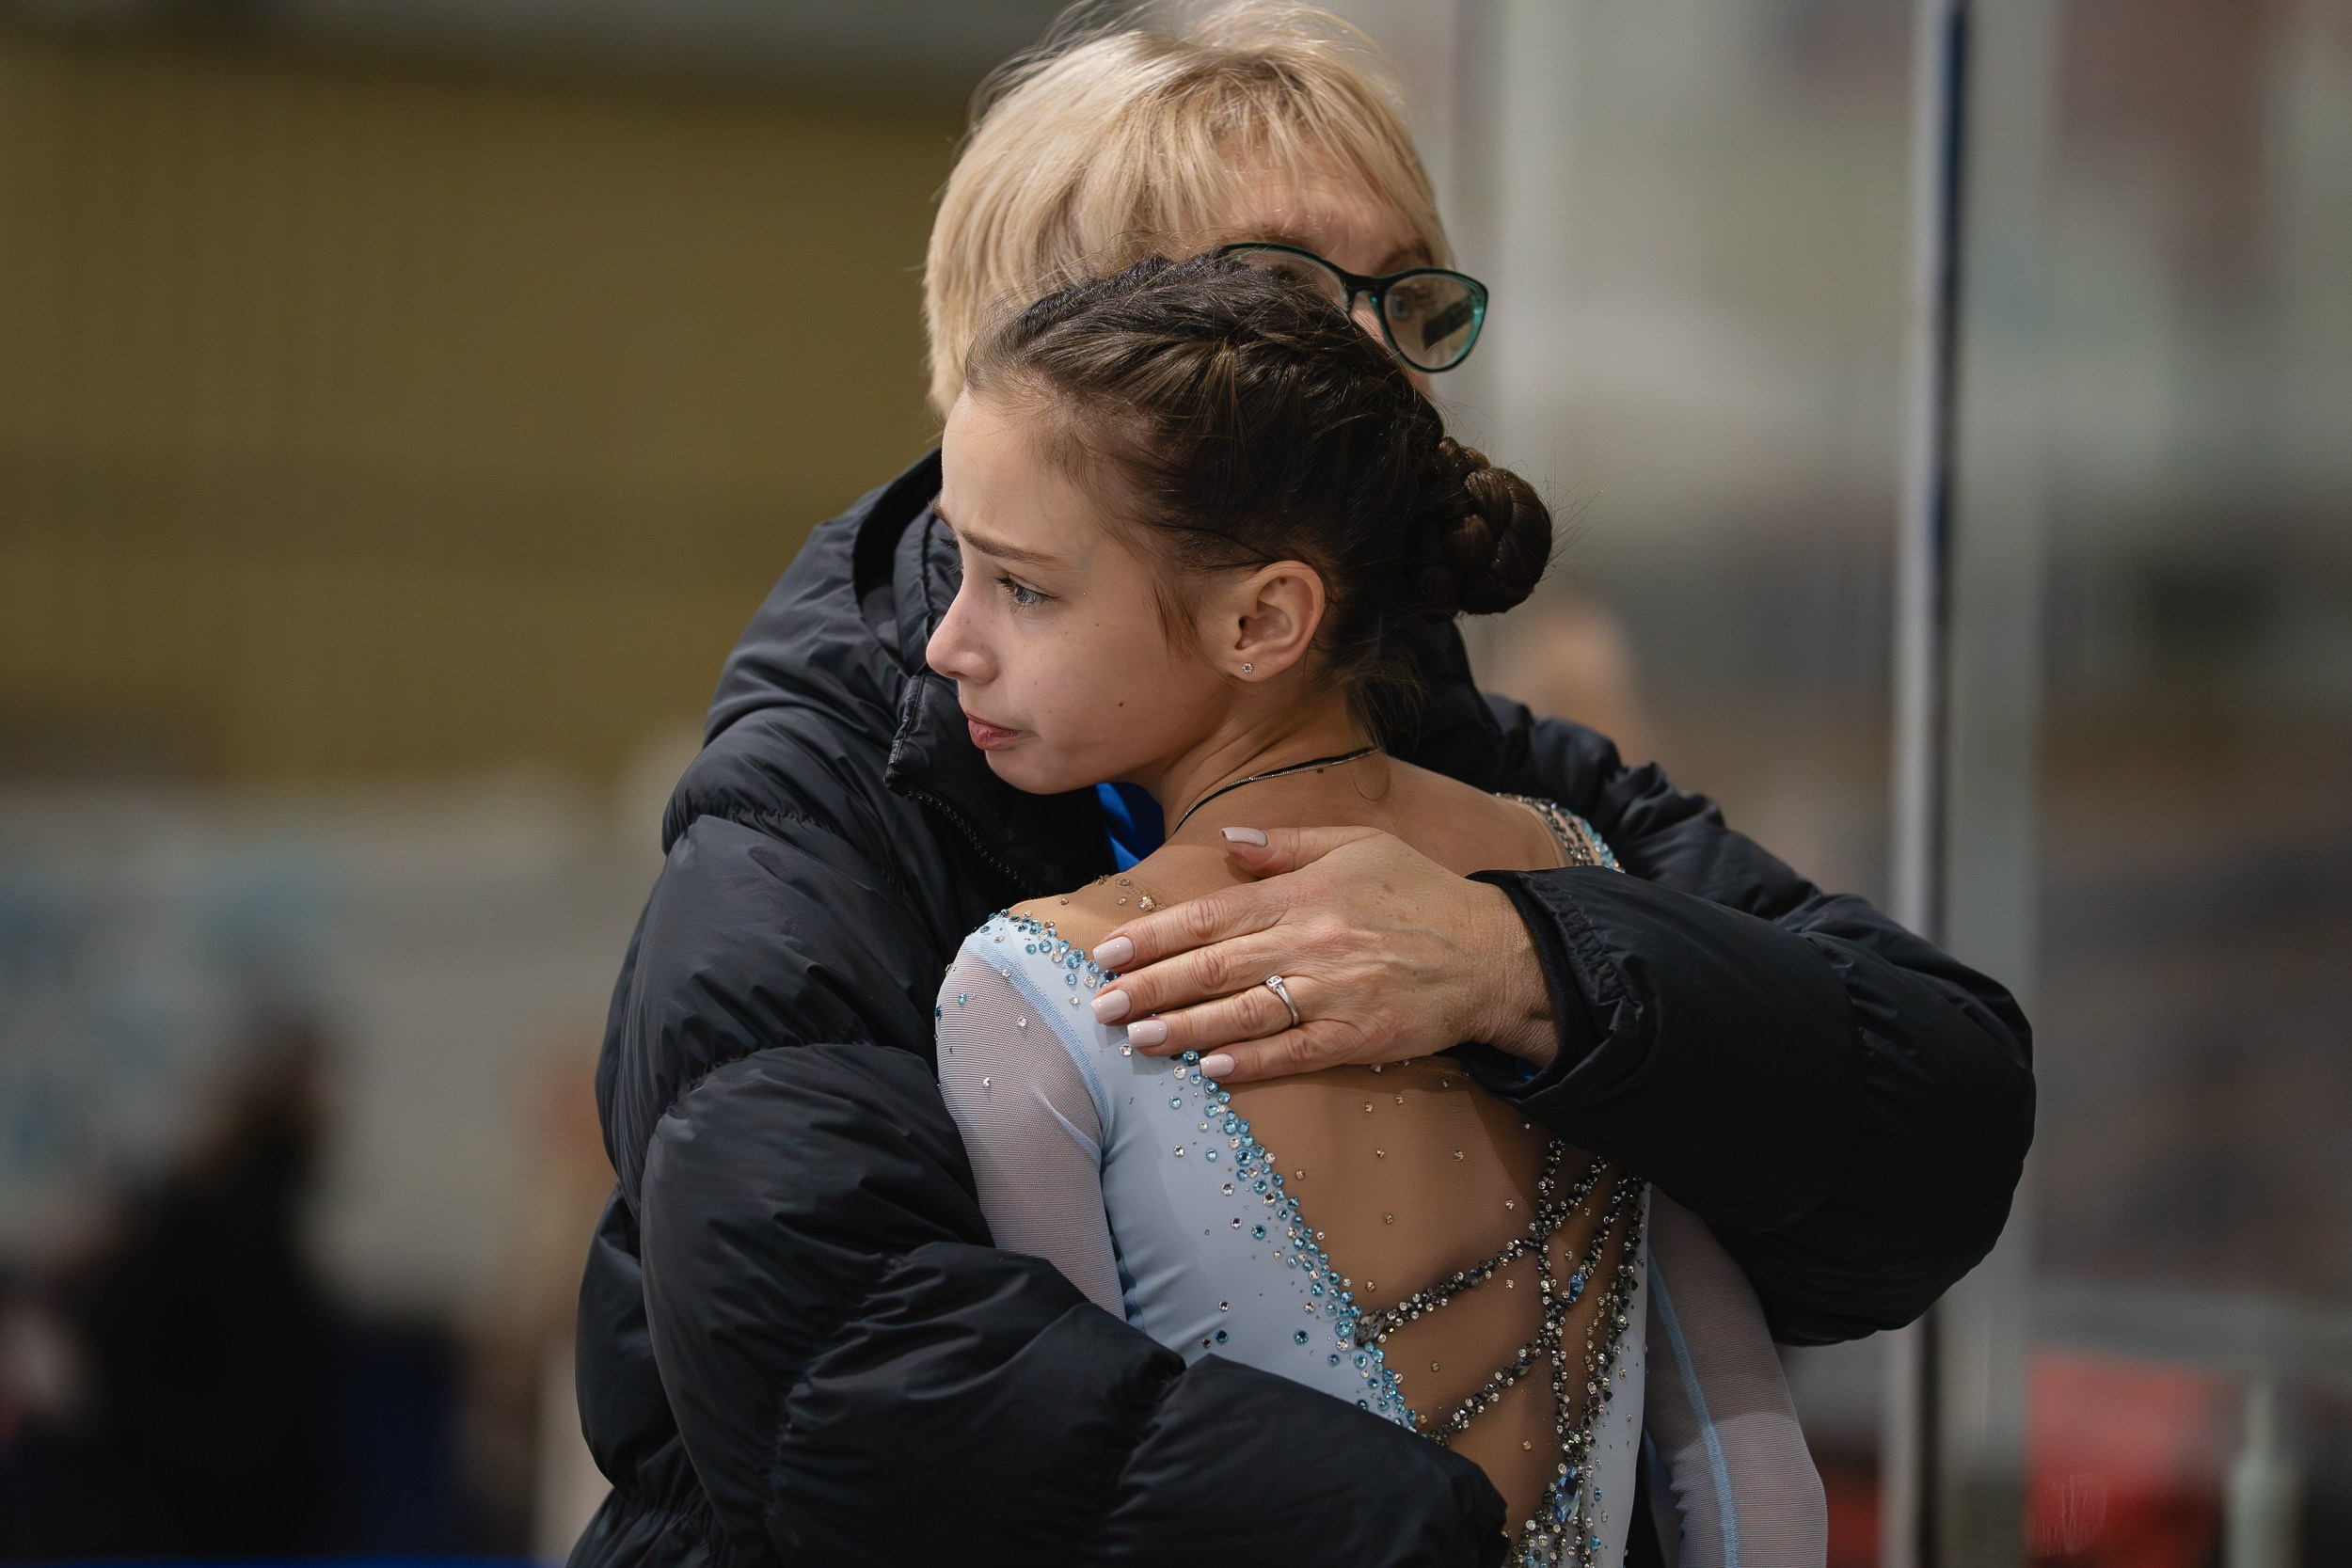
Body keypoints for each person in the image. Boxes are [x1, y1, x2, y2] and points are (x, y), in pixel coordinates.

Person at [572, 8, 2032, 1565]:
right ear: (1060, 355)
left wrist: (1535, 965)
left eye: (1411, 300)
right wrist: (1417, 1535)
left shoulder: (1495, 783)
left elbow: (1933, 1118)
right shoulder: (810, 822)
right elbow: (839, 1381)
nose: (1388, 378)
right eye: (1285, 301)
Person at [933, 253, 1828, 1567]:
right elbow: (1754, 1473)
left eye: (1023, 587)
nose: (951, 640)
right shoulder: (1584, 893)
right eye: (960, 568)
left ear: (1264, 619)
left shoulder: (1042, 995)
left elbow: (1061, 1511)